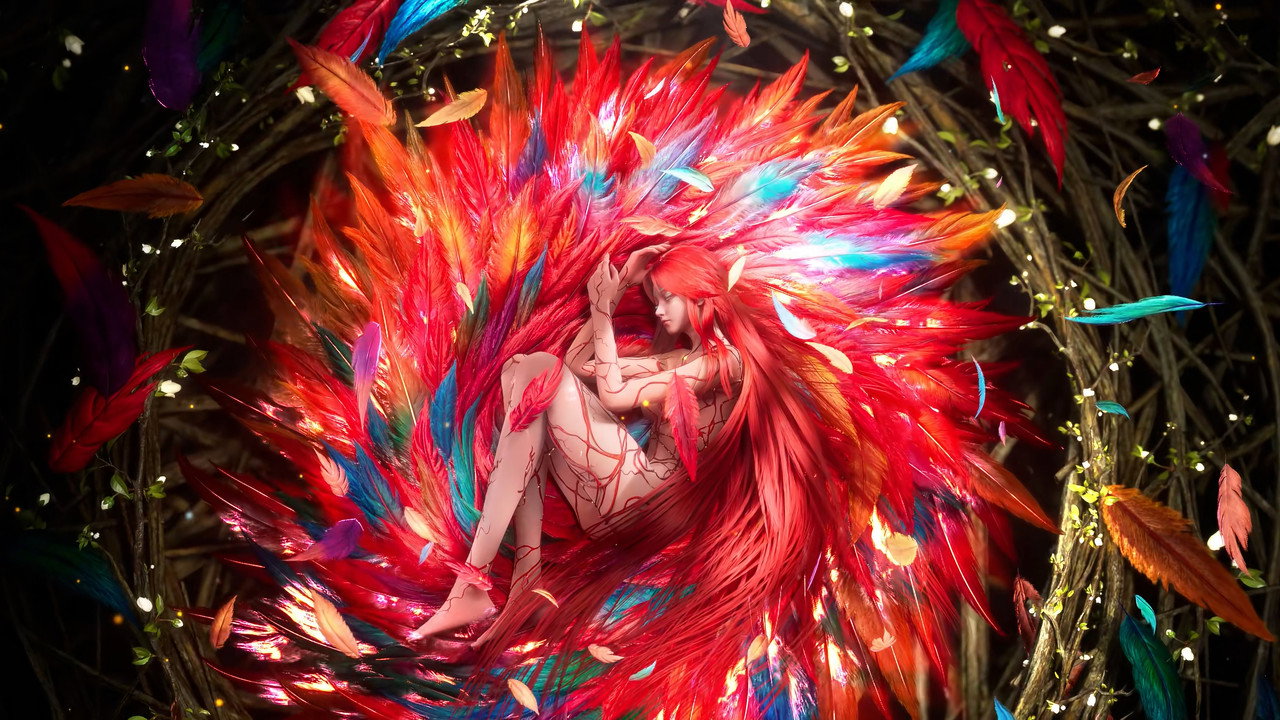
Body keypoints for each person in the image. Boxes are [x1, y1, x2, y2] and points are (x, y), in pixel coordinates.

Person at [408, 244, 744, 641]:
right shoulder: (678, 361)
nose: (657, 310)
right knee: (521, 371)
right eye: (655, 298)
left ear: (699, 295)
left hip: (646, 502)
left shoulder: (725, 363)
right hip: (614, 499)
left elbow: (613, 396)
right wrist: (618, 288)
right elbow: (578, 364)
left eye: (667, 297)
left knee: (539, 370)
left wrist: (601, 310)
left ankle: (472, 583)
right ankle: (524, 584)